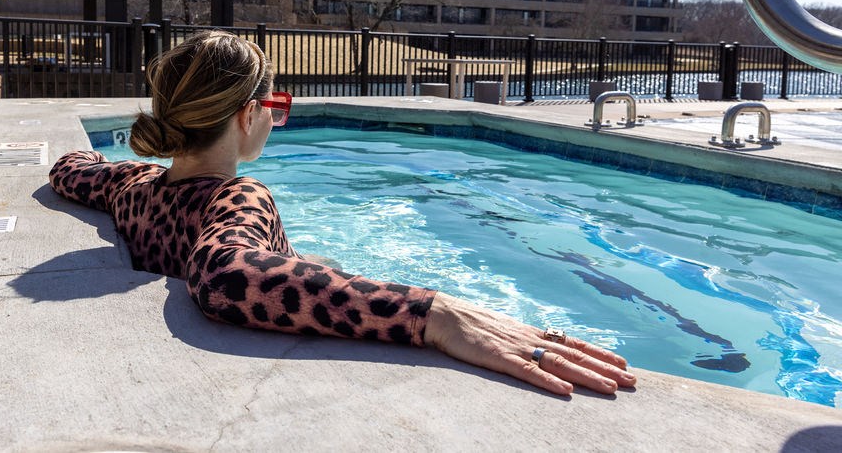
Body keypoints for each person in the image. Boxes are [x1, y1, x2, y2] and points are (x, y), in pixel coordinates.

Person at [50, 31, 636, 396]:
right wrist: (431, 313)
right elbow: (227, 275)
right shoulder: (236, 196)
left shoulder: (133, 185)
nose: (276, 122)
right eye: (275, 108)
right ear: (246, 116)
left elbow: (69, 168)